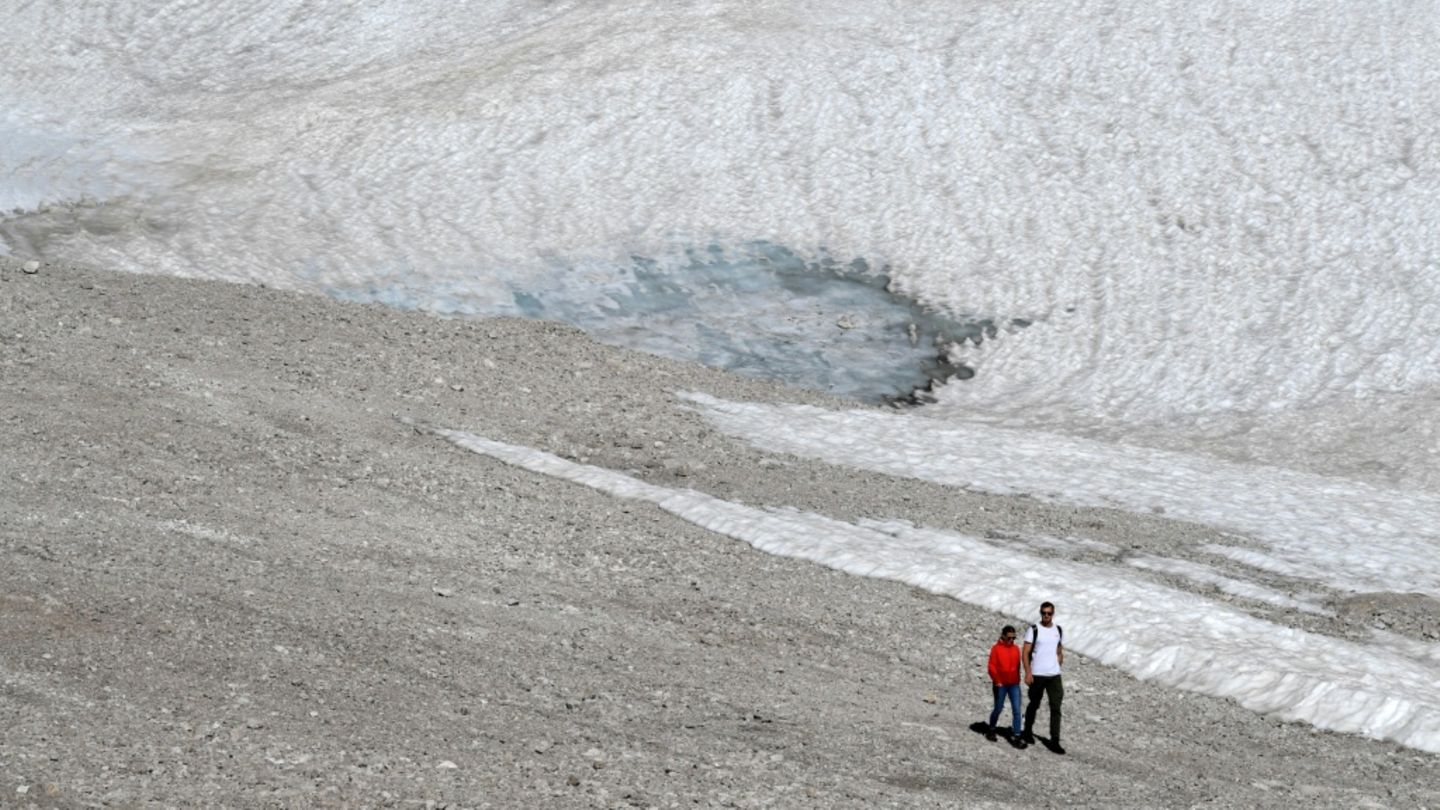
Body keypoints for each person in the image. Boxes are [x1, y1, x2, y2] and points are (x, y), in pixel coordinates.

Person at [1022, 601, 1065, 754]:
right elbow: (1025, 652)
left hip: (1054, 675)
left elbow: (1059, 650)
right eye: (1043, 613)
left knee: (1056, 707)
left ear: (1053, 614)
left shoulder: (1058, 629)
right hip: (1037, 674)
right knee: (1034, 703)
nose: (1046, 616)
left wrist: (1059, 663)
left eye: (1049, 613)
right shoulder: (1034, 629)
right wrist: (1028, 672)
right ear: (1040, 613)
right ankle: (1027, 731)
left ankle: (1054, 740)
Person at [985, 625, 1025, 747]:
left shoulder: (1016, 649)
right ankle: (991, 729)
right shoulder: (996, 649)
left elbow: (1018, 666)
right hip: (1000, 684)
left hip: (1013, 684)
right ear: (1003, 636)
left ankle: (1017, 736)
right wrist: (997, 681)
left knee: (1017, 710)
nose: (1011, 640)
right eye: (1009, 638)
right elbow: (991, 667)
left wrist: (1018, 679)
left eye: (1014, 638)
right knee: (998, 708)